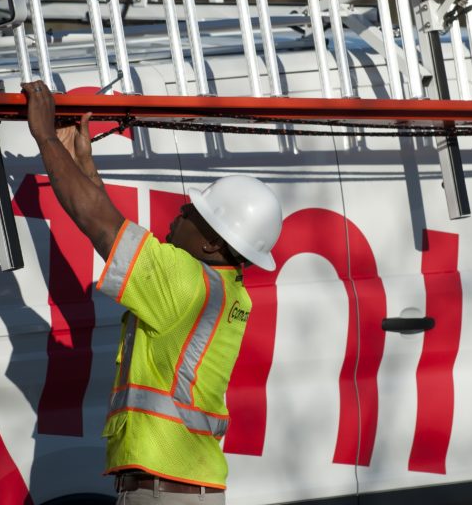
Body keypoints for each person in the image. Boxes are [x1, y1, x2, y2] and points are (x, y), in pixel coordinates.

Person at [23, 80, 283, 503]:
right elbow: (107, 220)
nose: (176, 217)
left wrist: (46, 138)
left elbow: (99, 223)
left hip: (163, 491)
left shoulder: (185, 282)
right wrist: (81, 162)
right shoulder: (227, 290)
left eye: (190, 215)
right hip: (191, 487)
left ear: (213, 244)